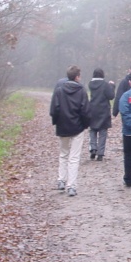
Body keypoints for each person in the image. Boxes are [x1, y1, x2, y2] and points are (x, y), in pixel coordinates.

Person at [50, 65, 90, 197]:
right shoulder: (82, 91)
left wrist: (57, 122)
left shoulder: (59, 91)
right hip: (77, 127)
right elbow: (85, 111)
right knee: (74, 157)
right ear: (77, 77)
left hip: (62, 127)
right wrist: (85, 125)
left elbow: (54, 110)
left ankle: (61, 180)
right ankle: (71, 186)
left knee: (63, 154)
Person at [88, 68, 115, 161]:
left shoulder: (90, 84)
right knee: (103, 132)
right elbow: (111, 96)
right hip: (103, 110)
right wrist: (112, 86)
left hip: (92, 109)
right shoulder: (105, 85)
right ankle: (100, 153)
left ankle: (93, 148)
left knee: (92, 130)